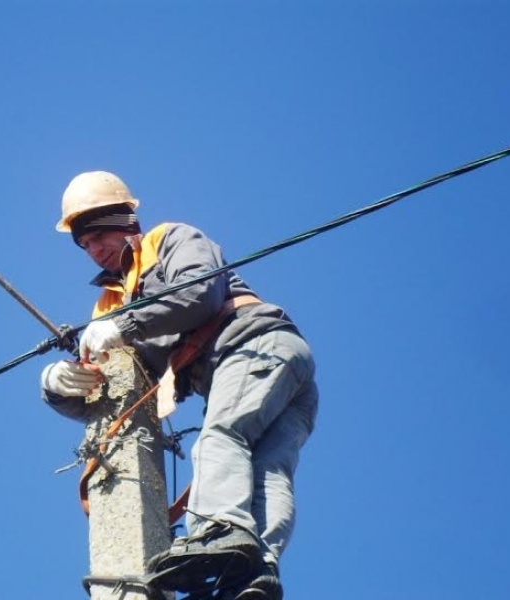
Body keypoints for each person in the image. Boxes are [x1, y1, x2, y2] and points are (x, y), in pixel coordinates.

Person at [40, 171, 318, 600]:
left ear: (123, 221)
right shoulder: (109, 305)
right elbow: (113, 395)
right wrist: (59, 387)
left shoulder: (169, 240)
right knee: (266, 469)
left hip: (252, 345)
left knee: (220, 438)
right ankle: (252, 577)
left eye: (98, 237)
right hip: (278, 375)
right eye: (84, 244)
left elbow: (202, 292)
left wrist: (125, 325)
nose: (93, 251)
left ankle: (215, 533)